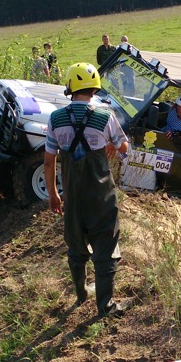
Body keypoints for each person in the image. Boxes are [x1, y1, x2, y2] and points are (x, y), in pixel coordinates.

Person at [44, 62, 130, 318]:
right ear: (94, 88)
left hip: (72, 196)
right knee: (106, 248)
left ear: (71, 86)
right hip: (102, 196)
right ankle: (105, 306)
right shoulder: (106, 116)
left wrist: (53, 194)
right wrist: (119, 144)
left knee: (76, 247)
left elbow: (49, 160)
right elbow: (124, 149)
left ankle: (81, 294)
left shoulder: (55, 118)